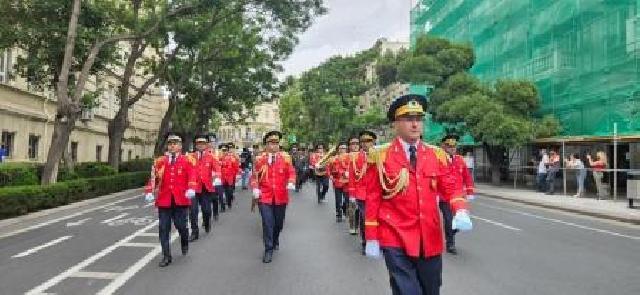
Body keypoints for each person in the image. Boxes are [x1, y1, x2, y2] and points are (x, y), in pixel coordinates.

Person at [364, 94, 472, 295]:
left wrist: (460, 209)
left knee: (431, 289)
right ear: (396, 124)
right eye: (408, 119)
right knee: (408, 291)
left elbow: (451, 186)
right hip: (394, 235)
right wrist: (371, 236)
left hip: (429, 237)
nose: (415, 124)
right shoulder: (380, 155)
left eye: (419, 119)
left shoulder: (435, 154)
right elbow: (373, 197)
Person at [144, 134, 197, 267]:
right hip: (164, 200)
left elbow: (192, 175)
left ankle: (184, 241)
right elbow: (153, 177)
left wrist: (191, 188)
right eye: (170, 143)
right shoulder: (160, 161)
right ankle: (166, 256)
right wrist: (149, 191)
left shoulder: (187, 160)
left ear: (180, 146)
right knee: (163, 228)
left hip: (180, 200)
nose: (172, 146)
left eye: (175, 143)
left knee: (181, 226)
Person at [250, 131, 296, 263]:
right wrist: (255, 189)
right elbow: (254, 177)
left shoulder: (286, 158)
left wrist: (291, 182)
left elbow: (291, 172)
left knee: (279, 223)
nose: (274, 145)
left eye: (276, 143)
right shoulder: (260, 159)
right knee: (267, 223)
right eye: (271, 143)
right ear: (266, 144)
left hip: (281, 196)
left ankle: (275, 239)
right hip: (265, 196)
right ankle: (268, 249)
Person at [439, 134, 475, 255]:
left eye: (454, 146)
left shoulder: (460, 160)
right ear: (443, 146)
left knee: (460, 221)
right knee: (449, 220)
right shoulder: (438, 160)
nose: (452, 148)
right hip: (444, 197)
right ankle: (450, 244)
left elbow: (467, 177)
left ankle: (450, 233)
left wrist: (470, 191)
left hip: (459, 197)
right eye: (449, 146)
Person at [187, 135, 222, 242]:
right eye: (198, 143)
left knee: (206, 210)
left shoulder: (212, 157)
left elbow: (217, 169)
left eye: (203, 143)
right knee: (193, 211)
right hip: (193, 188)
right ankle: (194, 232)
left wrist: (217, 178)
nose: (201, 145)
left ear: (206, 145)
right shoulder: (190, 157)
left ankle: (207, 223)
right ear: (196, 145)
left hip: (206, 188)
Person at [352, 130, 377, 255]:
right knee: (365, 218)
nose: (365, 144)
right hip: (362, 194)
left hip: (377, 194)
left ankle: (376, 239)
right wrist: (352, 194)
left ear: (373, 142)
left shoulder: (380, 155)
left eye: (368, 141)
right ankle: (365, 242)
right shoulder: (356, 157)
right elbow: (352, 175)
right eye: (363, 141)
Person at [329, 142, 349, 222]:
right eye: (341, 148)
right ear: (338, 149)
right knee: (338, 200)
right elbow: (329, 168)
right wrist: (330, 175)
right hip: (337, 182)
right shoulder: (333, 158)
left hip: (347, 183)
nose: (342, 150)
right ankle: (339, 214)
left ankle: (344, 208)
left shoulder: (350, 157)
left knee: (347, 200)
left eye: (344, 148)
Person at [345, 135, 360, 235]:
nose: (355, 146)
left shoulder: (364, 155)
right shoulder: (346, 156)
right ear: (349, 146)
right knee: (352, 207)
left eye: (356, 143)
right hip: (347, 186)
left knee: (360, 209)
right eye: (352, 144)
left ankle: (358, 225)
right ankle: (352, 226)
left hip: (361, 186)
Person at [221, 143, 241, 209]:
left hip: (230, 177)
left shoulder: (232, 158)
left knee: (229, 191)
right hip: (221, 178)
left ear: (227, 150)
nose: (224, 152)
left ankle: (229, 202)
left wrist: (238, 174)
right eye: (223, 150)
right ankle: (223, 206)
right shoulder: (218, 158)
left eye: (225, 150)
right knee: (222, 193)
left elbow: (236, 167)